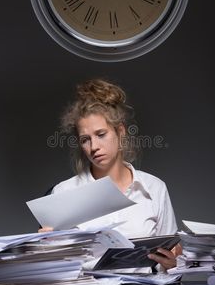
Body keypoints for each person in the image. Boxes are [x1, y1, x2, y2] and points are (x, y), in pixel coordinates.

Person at [40, 78, 181, 270]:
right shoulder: (64, 192)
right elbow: (54, 270)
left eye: (101, 134)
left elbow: (170, 265)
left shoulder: (155, 188)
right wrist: (43, 250)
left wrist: (173, 264)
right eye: (85, 139)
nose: (94, 147)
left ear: (120, 131)